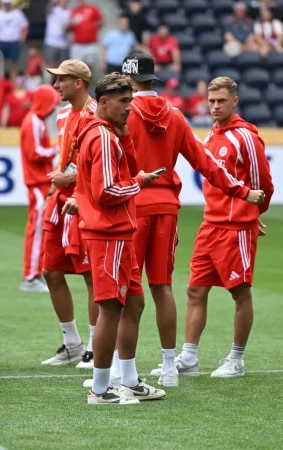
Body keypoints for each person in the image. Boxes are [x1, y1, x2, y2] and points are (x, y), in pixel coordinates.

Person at [119, 53, 264, 387]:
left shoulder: (123, 114)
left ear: (127, 81)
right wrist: (241, 191)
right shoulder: (174, 116)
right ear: (152, 81)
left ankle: (119, 368)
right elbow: (206, 164)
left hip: (131, 207)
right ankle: (171, 367)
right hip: (167, 209)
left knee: (127, 289)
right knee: (163, 287)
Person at [169, 77, 274, 379]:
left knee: (239, 293)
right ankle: (189, 357)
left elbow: (263, 182)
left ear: (235, 102)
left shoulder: (245, 137)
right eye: (211, 101)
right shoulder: (210, 136)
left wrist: (253, 213)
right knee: (194, 290)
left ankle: (236, 359)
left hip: (235, 228)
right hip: (210, 225)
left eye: (221, 101)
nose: (215, 106)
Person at [71, 73, 163, 405]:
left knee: (134, 302)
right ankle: (99, 389)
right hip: (107, 233)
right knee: (111, 308)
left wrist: (125, 135)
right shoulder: (101, 137)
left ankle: (129, 379)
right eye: (123, 102)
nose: (129, 107)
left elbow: (124, 170)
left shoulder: (109, 134)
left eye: (131, 100)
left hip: (119, 232)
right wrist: (140, 183)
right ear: (104, 103)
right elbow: (107, 190)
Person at [40, 60, 98, 369]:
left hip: (84, 201)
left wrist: (71, 180)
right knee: (51, 271)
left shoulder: (95, 114)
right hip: (60, 200)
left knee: (91, 276)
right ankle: (72, 342)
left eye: (61, 79)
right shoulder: (63, 115)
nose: (56, 85)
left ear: (78, 82)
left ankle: (92, 346)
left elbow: (100, 163)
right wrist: (57, 185)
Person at [19, 84, 61, 292]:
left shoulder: (37, 121)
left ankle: (35, 273)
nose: (53, 110)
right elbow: (35, 153)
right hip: (37, 182)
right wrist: (57, 149)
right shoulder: (33, 122)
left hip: (41, 182)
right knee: (36, 229)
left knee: (40, 229)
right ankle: (30, 276)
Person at [0, 0, 29, 80]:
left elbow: (25, 27)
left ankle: (12, 84)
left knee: (13, 65)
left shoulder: (18, 13)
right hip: (1, 41)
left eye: (8, 4)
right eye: (5, 4)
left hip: (13, 41)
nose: (7, 5)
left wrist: (22, 39)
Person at [68, 0, 103, 71]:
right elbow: (69, 27)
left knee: (89, 65)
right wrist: (72, 23)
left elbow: (101, 21)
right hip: (78, 43)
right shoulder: (74, 11)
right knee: (75, 66)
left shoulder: (92, 8)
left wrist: (93, 28)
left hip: (90, 43)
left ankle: (86, 81)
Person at [44, 0, 71, 71]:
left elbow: (69, 28)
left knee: (62, 67)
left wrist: (68, 26)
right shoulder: (53, 9)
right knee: (49, 65)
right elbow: (48, 7)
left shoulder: (69, 12)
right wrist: (53, 2)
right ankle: (48, 82)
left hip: (64, 44)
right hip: (51, 42)